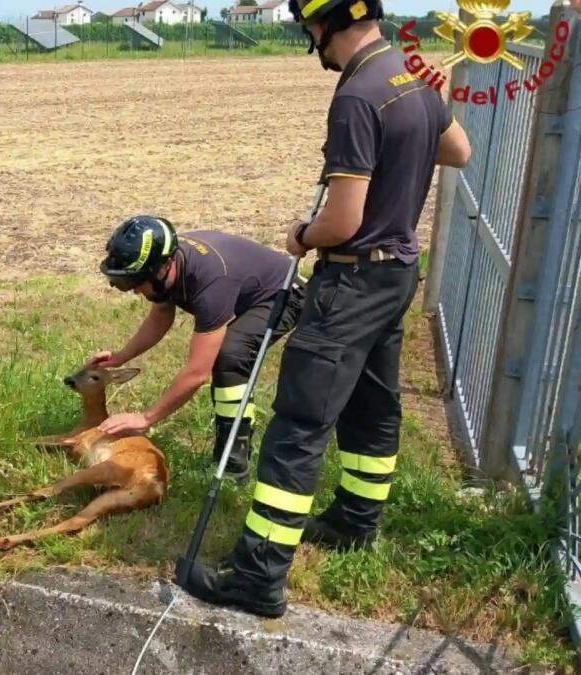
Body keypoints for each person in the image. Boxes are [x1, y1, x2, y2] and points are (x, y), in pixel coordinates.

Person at [177, 0, 472, 619]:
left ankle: (257, 575)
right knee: (371, 404)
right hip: (397, 274)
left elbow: (343, 220)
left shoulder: (358, 94)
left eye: (308, 27)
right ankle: (354, 521)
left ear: (323, 24)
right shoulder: (411, 73)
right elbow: (458, 151)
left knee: (299, 422)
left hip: (352, 281)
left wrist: (302, 236)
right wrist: (413, 134)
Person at [93, 217, 306, 481]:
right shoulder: (168, 265)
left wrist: (146, 418)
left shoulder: (210, 283)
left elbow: (197, 373)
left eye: (135, 282)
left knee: (231, 354)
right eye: (124, 284)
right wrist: (121, 356)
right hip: (245, 288)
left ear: (163, 268)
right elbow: (161, 315)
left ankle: (232, 462)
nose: (134, 291)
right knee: (227, 352)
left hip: (285, 294)